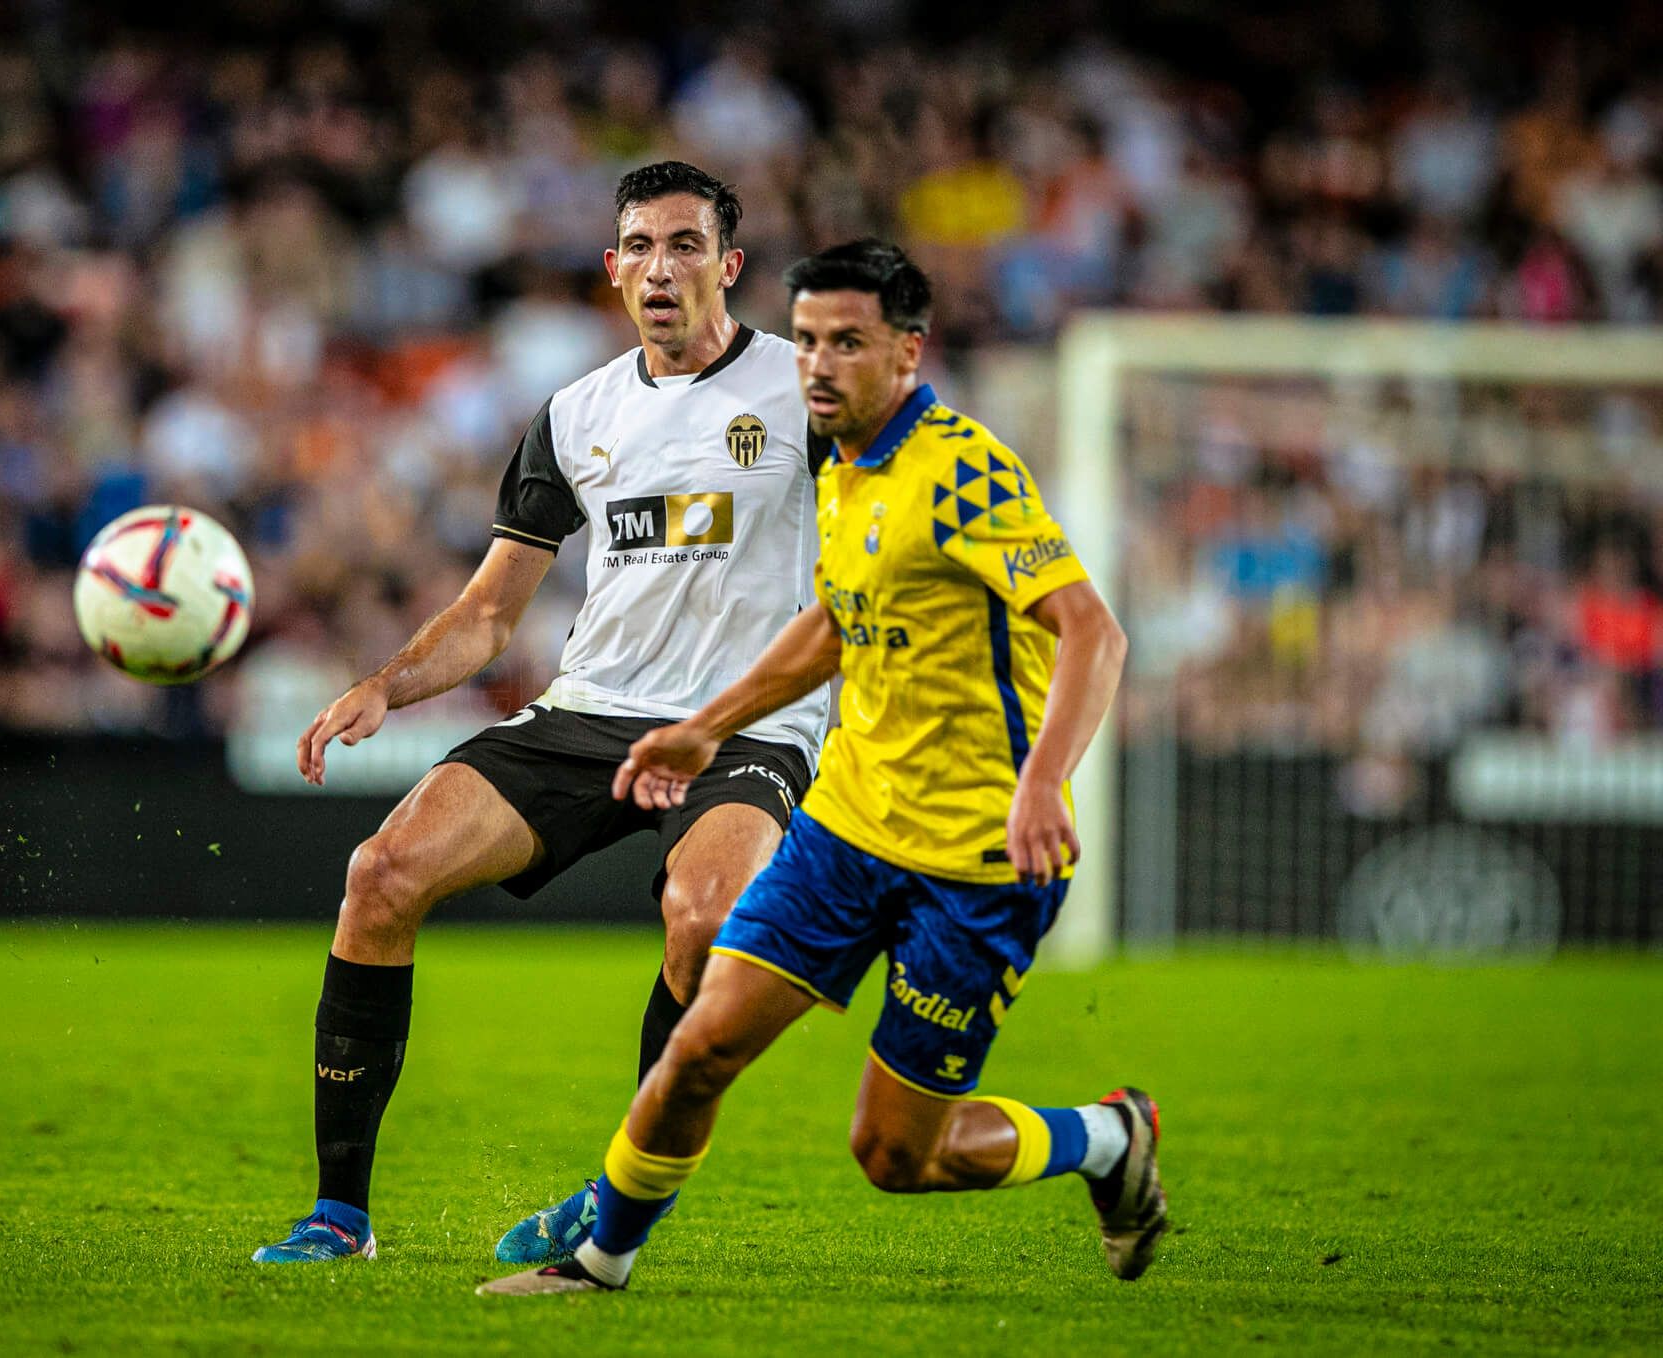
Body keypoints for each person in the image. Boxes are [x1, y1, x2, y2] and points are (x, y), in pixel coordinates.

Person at [479, 239, 1163, 1296]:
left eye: (846, 342)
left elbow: (1092, 633)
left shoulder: (961, 472)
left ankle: (1106, 1139)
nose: (816, 364)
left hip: (974, 859)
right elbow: (833, 621)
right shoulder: (839, 462)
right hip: (844, 829)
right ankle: (597, 1260)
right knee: (701, 1037)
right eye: (803, 340)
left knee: (897, 1156)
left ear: (905, 349)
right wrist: (710, 724)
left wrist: (1040, 782)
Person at [253, 162, 833, 1264]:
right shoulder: (576, 415)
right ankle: (339, 1212)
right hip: (588, 712)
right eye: (640, 249)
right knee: (380, 873)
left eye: (685, 244)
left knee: (705, 921)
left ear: (729, 264)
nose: (661, 268)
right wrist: (383, 681)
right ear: (612, 271)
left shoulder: (805, 394)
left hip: (742, 726)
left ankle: (615, 1192)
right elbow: (487, 614)